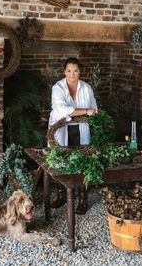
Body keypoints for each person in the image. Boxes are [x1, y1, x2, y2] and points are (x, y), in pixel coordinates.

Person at [48, 57, 98, 214]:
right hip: (60, 129)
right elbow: (63, 110)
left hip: (80, 129)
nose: (72, 74)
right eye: (69, 70)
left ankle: (82, 198)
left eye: (75, 70)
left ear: (79, 71)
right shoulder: (58, 88)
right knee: (60, 160)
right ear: (64, 71)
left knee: (82, 160)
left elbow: (94, 109)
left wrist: (91, 112)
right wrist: (84, 111)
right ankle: (62, 195)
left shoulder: (87, 88)